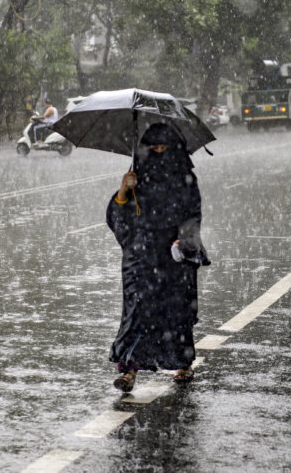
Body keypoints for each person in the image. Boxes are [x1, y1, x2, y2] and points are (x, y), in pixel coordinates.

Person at [106, 123, 211, 392]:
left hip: (173, 256)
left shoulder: (184, 178)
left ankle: (182, 362)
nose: (158, 152)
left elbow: (192, 214)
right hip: (141, 257)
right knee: (137, 311)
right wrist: (123, 191)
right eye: (153, 148)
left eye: (164, 148)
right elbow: (121, 218)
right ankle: (128, 370)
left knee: (176, 312)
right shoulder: (136, 177)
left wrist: (184, 241)